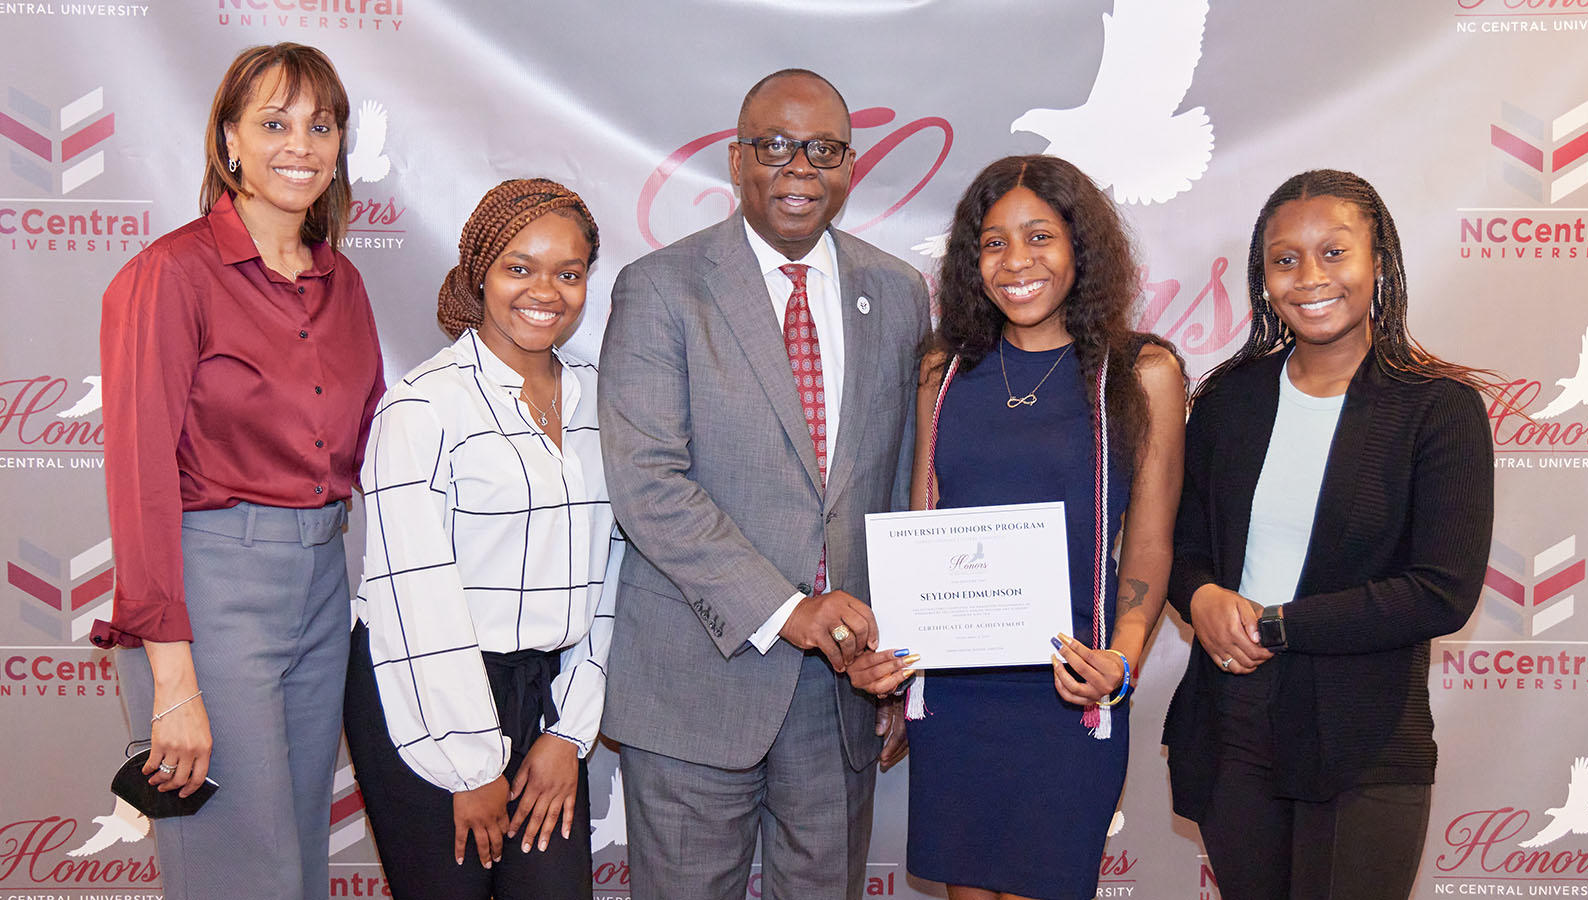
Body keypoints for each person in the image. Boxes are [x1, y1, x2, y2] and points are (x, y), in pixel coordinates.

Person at [597, 68, 931, 900]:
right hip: (694, 684)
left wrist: (904, 653)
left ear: (850, 167)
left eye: (823, 148)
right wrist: (789, 611)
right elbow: (648, 484)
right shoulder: (660, 288)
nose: (799, 168)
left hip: (840, 697)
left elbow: (899, 483)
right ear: (738, 160)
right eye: (776, 146)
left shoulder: (896, 294)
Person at [848, 155, 1186, 900]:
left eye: (1040, 236)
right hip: (959, 692)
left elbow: (1152, 541)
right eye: (994, 242)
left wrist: (1121, 665)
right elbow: (921, 529)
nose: (1017, 261)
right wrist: (893, 668)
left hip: (1071, 690)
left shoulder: (1139, 371)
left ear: (1080, 248)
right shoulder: (945, 367)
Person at [94, 43, 384, 900]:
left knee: (292, 858)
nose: (300, 144)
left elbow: (371, 447)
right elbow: (141, 482)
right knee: (234, 870)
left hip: (323, 584)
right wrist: (172, 678)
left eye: (319, 124)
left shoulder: (345, 282)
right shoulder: (170, 275)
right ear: (229, 143)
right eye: (273, 123)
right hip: (212, 593)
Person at [1161, 169, 1494, 899]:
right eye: (1285, 259)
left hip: (1364, 739)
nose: (1309, 277)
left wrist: (1275, 624)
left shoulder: (1437, 408)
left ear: (1380, 264)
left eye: (1335, 253)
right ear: (1264, 278)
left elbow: (1441, 592)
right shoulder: (1227, 400)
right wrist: (1204, 594)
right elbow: (1184, 548)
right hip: (1232, 728)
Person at [342, 179, 618, 900]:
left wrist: (569, 733)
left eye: (569, 273)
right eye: (518, 267)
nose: (545, 291)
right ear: (478, 273)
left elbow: (614, 574)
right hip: (427, 692)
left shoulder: (602, 401)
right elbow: (416, 599)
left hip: (549, 695)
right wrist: (470, 768)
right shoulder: (423, 407)